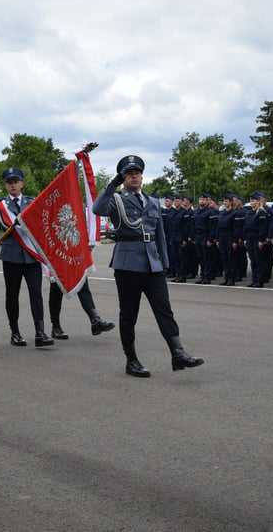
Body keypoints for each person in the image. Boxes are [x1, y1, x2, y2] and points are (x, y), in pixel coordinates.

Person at [92, 155, 204, 378]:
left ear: (142, 176)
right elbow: (97, 208)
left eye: (137, 173)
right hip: (128, 264)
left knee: (165, 311)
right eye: (129, 174)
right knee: (129, 315)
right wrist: (112, 184)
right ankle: (131, 361)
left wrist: (164, 263)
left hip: (153, 265)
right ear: (124, 178)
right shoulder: (117, 199)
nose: (134, 177)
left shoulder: (152, 202)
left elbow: (159, 235)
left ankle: (177, 352)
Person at [0, 167, 54, 348]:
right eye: (9, 182)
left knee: (36, 294)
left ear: (21, 183)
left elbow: (42, 227)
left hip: (31, 256)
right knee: (12, 295)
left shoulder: (32, 202)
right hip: (11, 256)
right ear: (6, 185)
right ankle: (15, 333)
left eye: (16, 182)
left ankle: (40, 332)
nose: (13, 185)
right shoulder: (0, 206)